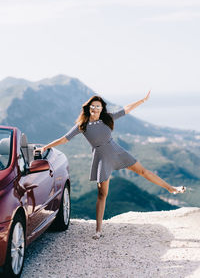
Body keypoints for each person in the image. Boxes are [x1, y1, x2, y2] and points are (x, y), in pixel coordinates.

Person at [37, 91, 186, 240]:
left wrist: (142, 100)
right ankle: (98, 230)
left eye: (98, 106)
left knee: (143, 171)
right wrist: (45, 147)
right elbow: (64, 139)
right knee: (102, 194)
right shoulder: (82, 125)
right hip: (102, 158)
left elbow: (126, 109)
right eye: (93, 106)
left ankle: (171, 188)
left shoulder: (107, 118)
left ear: (102, 108)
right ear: (88, 108)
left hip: (117, 151)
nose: (95, 108)